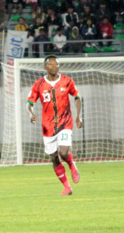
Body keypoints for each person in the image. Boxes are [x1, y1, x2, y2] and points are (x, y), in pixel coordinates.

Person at [26, 56, 82, 196]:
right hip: (47, 126)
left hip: (65, 122)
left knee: (63, 152)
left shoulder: (67, 81)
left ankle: (71, 165)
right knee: (54, 157)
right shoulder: (38, 84)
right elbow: (29, 103)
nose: (55, 67)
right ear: (45, 67)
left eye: (57, 64)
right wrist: (31, 114)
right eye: (51, 65)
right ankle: (67, 187)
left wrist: (78, 116)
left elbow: (77, 97)